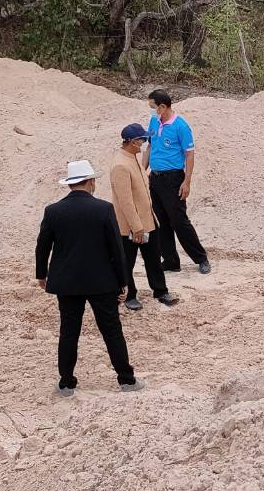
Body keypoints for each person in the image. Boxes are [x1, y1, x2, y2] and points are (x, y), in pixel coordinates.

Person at [35, 159, 142, 394]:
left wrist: (42, 274)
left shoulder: (53, 211)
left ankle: (66, 382)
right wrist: (123, 281)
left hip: (66, 282)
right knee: (111, 330)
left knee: (69, 331)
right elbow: (116, 249)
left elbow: (42, 246)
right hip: (101, 281)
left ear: (70, 184)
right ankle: (126, 379)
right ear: (91, 182)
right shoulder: (104, 209)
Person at [142, 89, 211, 275]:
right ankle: (171, 260)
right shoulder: (154, 121)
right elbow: (150, 147)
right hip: (155, 178)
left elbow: (189, 155)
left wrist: (186, 182)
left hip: (173, 179)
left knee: (179, 221)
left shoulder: (181, 126)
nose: (151, 110)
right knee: (161, 221)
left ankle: (201, 258)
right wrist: (142, 171)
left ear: (162, 107)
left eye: (153, 107)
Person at [112, 124, 180, 311]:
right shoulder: (120, 165)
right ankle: (129, 295)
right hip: (131, 226)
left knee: (153, 259)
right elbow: (125, 201)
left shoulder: (132, 159)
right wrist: (136, 227)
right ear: (132, 142)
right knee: (127, 262)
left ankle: (160, 291)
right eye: (141, 139)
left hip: (148, 220)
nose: (144, 142)